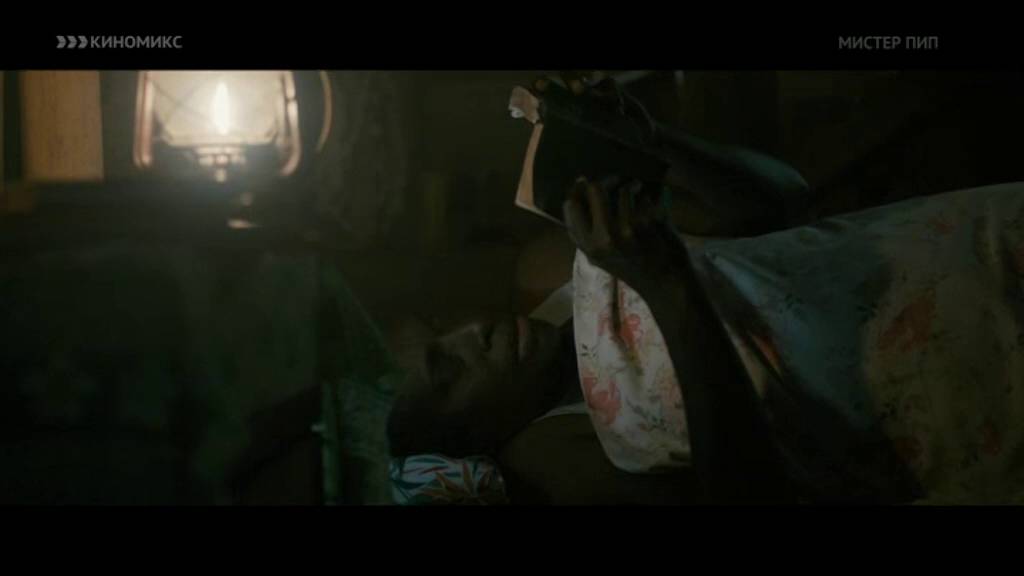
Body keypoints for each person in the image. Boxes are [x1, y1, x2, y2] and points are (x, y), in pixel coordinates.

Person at [387, 76, 1024, 505]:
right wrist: (666, 283)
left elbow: (783, 198)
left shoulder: (552, 267)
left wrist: (651, 142)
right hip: (972, 383)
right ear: (468, 435)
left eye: (442, 329)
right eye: (449, 368)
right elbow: (750, 493)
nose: (471, 334)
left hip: (968, 246)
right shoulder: (559, 454)